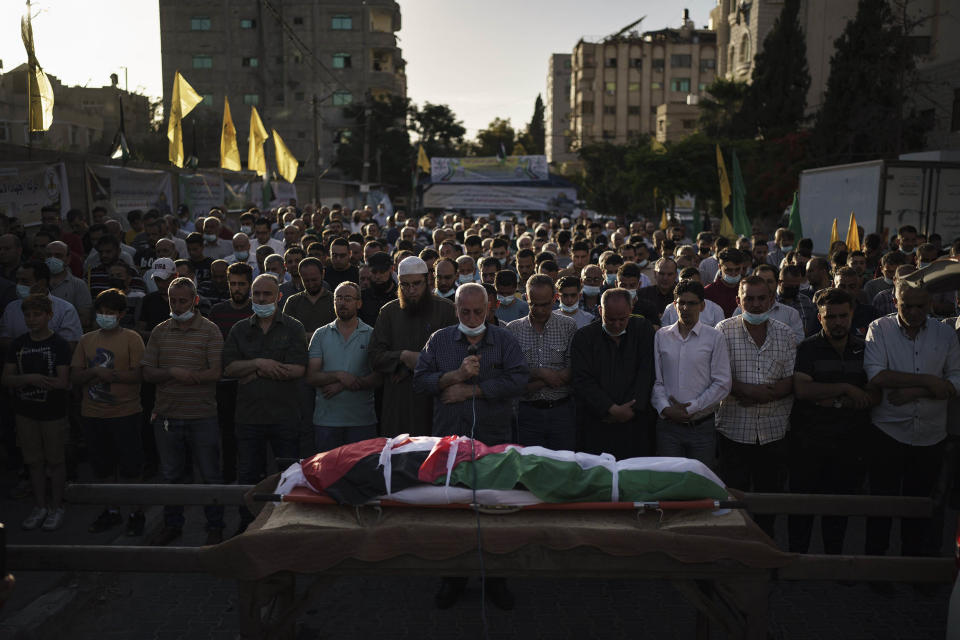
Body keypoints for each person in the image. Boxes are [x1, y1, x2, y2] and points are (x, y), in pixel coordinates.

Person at [413, 282, 527, 612]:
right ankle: (453, 578)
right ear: (456, 309)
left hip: (493, 440)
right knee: (453, 511)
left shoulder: (504, 339)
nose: (473, 318)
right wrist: (454, 376)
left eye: (479, 312)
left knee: (495, 511)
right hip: (450, 439)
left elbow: (519, 379)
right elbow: (420, 381)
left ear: (490, 309)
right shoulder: (440, 340)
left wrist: (473, 391)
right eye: (465, 312)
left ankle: (496, 580)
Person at [864, 282, 960, 559]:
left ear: (930, 304)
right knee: (883, 504)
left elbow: (955, 379)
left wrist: (914, 391)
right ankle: (876, 564)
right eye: (907, 306)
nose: (914, 312)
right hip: (888, 431)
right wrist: (930, 382)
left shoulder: (944, 333)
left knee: (922, 506)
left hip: (931, 434)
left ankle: (915, 564)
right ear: (895, 303)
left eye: (920, 306)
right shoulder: (879, 329)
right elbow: (878, 376)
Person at [789, 287, 880, 555]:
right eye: (831, 317)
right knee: (802, 507)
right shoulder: (807, 348)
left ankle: (834, 560)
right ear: (820, 318)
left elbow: (874, 393)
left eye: (843, 316)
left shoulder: (865, 350)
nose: (838, 322)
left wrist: (835, 397)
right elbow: (804, 390)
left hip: (849, 443)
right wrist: (847, 389)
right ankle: (797, 559)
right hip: (809, 441)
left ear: (852, 315)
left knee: (839, 506)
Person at [142, 277, 225, 546]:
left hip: (201, 416)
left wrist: (190, 376)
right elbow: (147, 372)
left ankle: (215, 527)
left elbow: (216, 372)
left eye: (183, 301)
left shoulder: (210, 331)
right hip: (167, 415)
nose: (177, 306)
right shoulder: (159, 331)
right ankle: (172, 525)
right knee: (171, 477)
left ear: (195, 300)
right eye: (173, 300)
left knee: (210, 476)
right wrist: (170, 372)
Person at [223, 273, 307, 533]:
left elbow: (297, 370)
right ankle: (248, 523)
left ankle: (285, 524)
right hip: (249, 417)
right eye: (257, 294)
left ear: (278, 297)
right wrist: (260, 364)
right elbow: (229, 368)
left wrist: (252, 371)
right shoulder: (239, 330)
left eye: (267, 294)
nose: (261, 299)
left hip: (285, 415)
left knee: (287, 475)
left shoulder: (293, 327)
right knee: (248, 475)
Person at [714, 275, 796, 537]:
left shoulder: (785, 333)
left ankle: (764, 554)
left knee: (767, 504)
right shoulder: (723, 330)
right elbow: (718, 376)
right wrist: (745, 390)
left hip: (774, 431)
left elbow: (791, 379)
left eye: (762, 298)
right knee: (732, 503)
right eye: (749, 298)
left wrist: (763, 394)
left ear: (771, 300)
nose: (756, 304)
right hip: (734, 429)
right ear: (738, 300)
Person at [71, 289, 147, 536]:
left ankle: (136, 512)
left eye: (110, 313)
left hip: (126, 413)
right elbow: (75, 375)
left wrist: (111, 375)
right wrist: (93, 373)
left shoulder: (132, 338)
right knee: (103, 468)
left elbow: (139, 375)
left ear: (121, 314)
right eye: (101, 312)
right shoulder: (86, 340)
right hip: (93, 414)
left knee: (131, 468)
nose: (105, 317)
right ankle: (111, 510)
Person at [2, 294, 72, 531]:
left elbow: (63, 381)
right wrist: (29, 378)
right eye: (28, 315)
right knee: (33, 462)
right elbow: (7, 378)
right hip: (25, 412)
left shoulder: (59, 344)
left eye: (37, 314)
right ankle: (40, 505)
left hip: (53, 413)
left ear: (49, 316)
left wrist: (34, 381)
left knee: (55, 461)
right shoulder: (18, 344)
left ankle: (56, 506)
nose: (31, 319)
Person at [368, 256, 457, 437]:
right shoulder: (388, 312)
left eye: (417, 284)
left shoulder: (447, 310)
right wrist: (403, 356)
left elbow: (456, 356)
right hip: (399, 403)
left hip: (435, 401)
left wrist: (415, 366)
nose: (411, 290)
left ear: (428, 280)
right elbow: (374, 357)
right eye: (405, 285)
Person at [651, 281, 731, 468]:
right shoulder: (662, 336)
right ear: (674, 305)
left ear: (702, 306)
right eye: (681, 303)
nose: (686, 308)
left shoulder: (714, 337)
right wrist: (666, 409)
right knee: (670, 482)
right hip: (668, 427)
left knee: (700, 484)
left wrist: (691, 408)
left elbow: (722, 383)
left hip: (701, 427)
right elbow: (657, 380)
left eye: (692, 303)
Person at [571, 288, 656, 459]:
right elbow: (582, 380)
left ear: (631, 310)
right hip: (597, 423)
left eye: (622, 319)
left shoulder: (643, 330)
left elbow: (647, 372)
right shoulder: (584, 337)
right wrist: (610, 408)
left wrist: (631, 408)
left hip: (635, 423)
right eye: (610, 319)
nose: (616, 325)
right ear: (600, 311)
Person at [308, 281, 382, 452]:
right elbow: (312, 376)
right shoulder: (320, 335)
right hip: (327, 422)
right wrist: (340, 375)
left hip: (361, 421)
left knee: (362, 474)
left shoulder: (371, 334)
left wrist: (343, 384)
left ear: (359, 303)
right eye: (338, 298)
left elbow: (378, 377)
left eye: (348, 298)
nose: (342, 302)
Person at [507, 275, 577, 449]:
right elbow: (513, 375)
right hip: (527, 413)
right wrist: (541, 374)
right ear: (526, 299)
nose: (539, 310)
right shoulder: (513, 330)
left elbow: (571, 370)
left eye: (545, 304)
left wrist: (532, 379)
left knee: (562, 466)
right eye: (534, 304)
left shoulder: (568, 326)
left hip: (561, 411)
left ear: (554, 299)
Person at [208, 262, 253, 483]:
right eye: (233, 284)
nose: (237, 289)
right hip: (224, 384)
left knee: (250, 434)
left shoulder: (257, 310)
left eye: (241, 284)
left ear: (250, 285)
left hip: (252, 384)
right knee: (227, 434)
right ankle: (228, 476)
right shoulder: (217, 312)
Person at [0, 261, 82, 352]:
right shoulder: (11, 308)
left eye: (24, 281)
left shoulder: (65, 309)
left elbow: (70, 345)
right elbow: (4, 340)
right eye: (17, 280)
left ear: (42, 282)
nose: (19, 285)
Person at [46, 240, 93, 329]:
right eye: (49, 255)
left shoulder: (79, 285)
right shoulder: (37, 283)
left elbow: (84, 319)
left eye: (58, 256)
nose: (52, 259)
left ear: (68, 259)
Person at [660, 267, 724, 327]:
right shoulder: (669, 309)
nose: (686, 308)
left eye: (694, 285)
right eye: (684, 284)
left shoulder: (715, 310)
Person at [704, 248, 745, 318]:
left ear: (742, 267)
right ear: (720, 267)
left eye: (737, 269)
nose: (733, 274)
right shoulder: (708, 292)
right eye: (728, 270)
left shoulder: (748, 290)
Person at [358, 252, 396, 327]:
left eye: (382, 271)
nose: (378, 276)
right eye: (374, 272)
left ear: (391, 269)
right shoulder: (362, 297)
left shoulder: (401, 296)